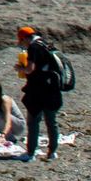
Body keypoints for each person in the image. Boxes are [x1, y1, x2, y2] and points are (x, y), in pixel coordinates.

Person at [15, 26, 63, 162]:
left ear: (25, 38)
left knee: (33, 121)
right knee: (51, 121)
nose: (21, 44)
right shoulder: (46, 44)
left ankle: (31, 153)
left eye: (21, 41)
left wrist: (20, 68)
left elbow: (30, 69)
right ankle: (52, 152)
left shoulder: (33, 47)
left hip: (38, 90)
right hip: (52, 89)